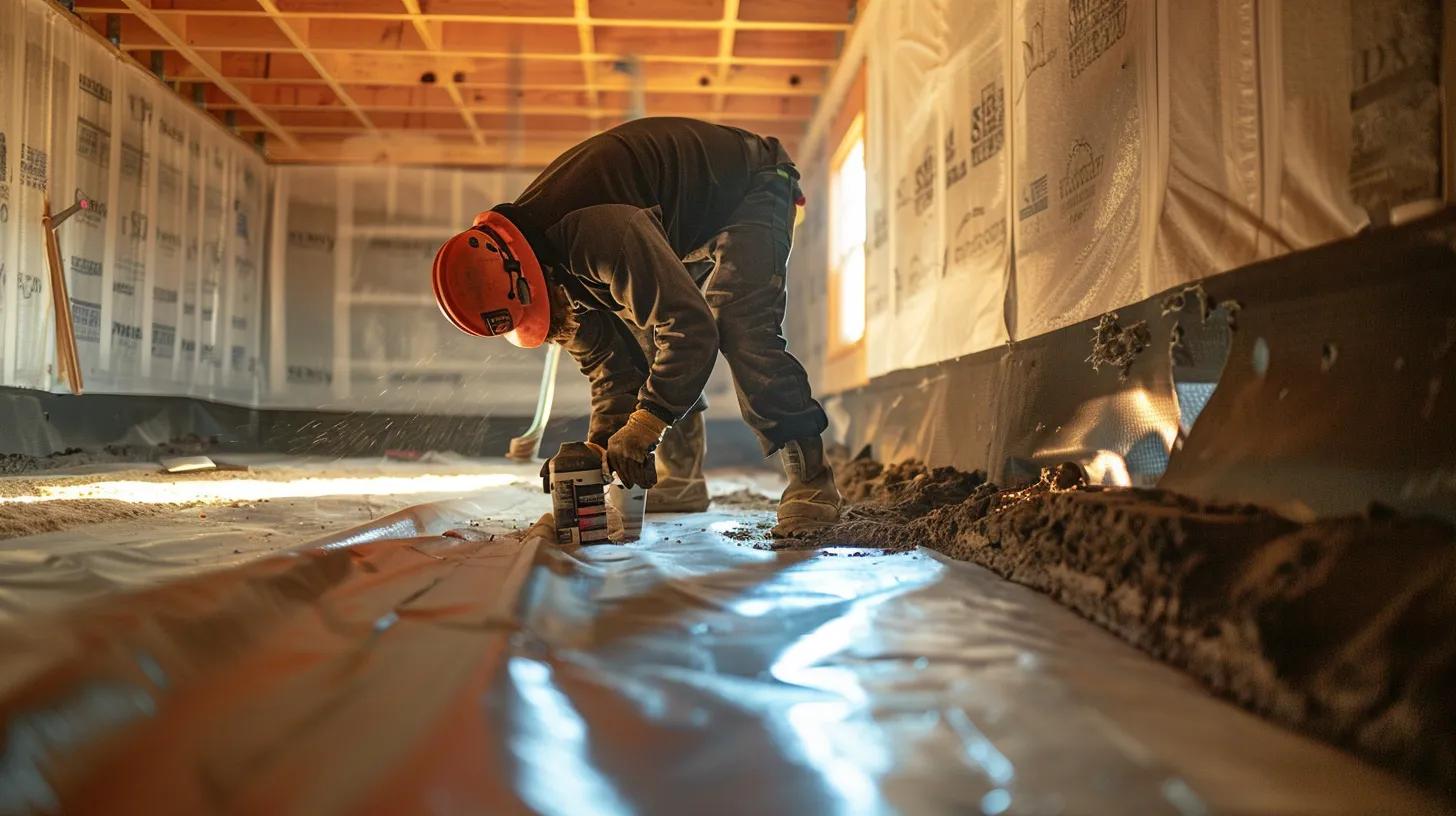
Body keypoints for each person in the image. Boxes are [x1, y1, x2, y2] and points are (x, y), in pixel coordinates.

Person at [431, 117, 841, 536]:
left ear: (529, 279)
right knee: (649, 336)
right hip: (682, 217)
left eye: (535, 311)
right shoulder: (548, 275)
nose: (545, 326)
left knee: (739, 322)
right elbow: (609, 368)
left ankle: (811, 480)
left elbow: (691, 330)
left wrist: (646, 425)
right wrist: (601, 445)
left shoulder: (601, 233)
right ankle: (681, 479)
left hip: (751, 184)